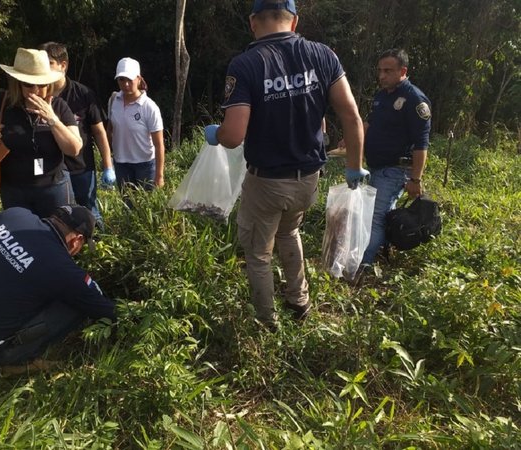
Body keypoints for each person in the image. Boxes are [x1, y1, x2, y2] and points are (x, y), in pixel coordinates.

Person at [204, 0, 367, 330]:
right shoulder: (322, 55)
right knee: (289, 231)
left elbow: (234, 135)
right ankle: (300, 301)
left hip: (267, 183)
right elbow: (351, 116)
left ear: (253, 22)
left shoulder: (246, 64)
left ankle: (267, 323)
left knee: (258, 253)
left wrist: (215, 134)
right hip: (308, 178)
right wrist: (354, 166)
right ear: (294, 21)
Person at [0, 205, 116, 367]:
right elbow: (103, 309)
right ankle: (13, 360)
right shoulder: (61, 267)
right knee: (76, 305)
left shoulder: (15, 214)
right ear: (77, 241)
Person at [0, 48, 83, 218]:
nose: (35, 90)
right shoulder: (1, 102)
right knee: (21, 238)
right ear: (17, 83)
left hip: (53, 186)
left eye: (41, 85)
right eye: (28, 84)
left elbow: (74, 148)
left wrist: (52, 119)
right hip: (13, 188)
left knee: (56, 236)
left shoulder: (59, 106)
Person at [358, 48, 431, 270]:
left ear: (403, 71)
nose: (382, 76)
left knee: (376, 217)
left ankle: (364, 265)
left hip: (395, 170)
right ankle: (375, 255)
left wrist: (415, 180)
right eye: (380, 70)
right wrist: (353, 137)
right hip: (377, 168)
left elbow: (421, 144)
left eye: (388, 71)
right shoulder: (382, 96)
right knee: (374, 214)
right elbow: (370, 124)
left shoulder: (414, 99)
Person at [38, 42, 116, 229]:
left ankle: (96, 250)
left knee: (88, 212)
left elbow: (99, 132)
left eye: (49, 63)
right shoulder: (38, 93)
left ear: (63, 65)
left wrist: (107, 165)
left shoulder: (83, 94)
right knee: (58, 216)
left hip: (80, 167)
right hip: (51, 170)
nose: (43, 68)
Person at [107, 57, 165, 192]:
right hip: (121, 164)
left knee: (146, 208)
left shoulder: (149, 107)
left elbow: (159, 144)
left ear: (138, 79)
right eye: (122, 80)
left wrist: (159, 175)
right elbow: (110, 130)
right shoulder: (114, 100)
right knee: (127, 206)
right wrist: (107, 160)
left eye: (130, 80)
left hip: (145, 164)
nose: (126, 84)